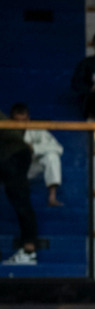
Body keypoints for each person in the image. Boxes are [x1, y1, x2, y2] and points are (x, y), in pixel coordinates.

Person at [0, 110, 37, 265]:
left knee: (20, 199)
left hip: (13, 156)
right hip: (13, 156)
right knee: (19, 198)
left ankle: (29, 252)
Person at [10, 103, 62, 207]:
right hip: (11, 170)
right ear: (11, 120)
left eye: (23, 121)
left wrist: (33, 148)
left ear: (28, 119)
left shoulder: (37, 130)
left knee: (52, 156)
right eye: (17, 122)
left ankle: (52, 197)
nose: (21, 125)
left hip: (31, 168)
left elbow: (58, 148)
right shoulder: (5, 131)